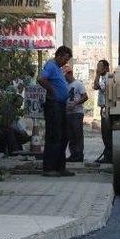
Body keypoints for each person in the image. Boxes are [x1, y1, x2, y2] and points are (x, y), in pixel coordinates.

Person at [37, 46, 74, 177]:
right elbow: (41, 79)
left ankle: (60, 167)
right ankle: (49, 168)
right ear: (59, 55)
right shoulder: (51, 65)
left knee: (64, 136)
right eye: (65, 58)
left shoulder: (58, 69)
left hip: (61, 105)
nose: (66, 62)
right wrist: (51, 90)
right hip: (53, 105)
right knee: (54, 135)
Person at [64, 65, 88, 162]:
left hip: (77, 113)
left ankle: (79, 155)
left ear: (69, 74)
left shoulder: (78, 84)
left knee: (77, 134)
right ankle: (73, 154)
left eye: (65, 75)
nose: (64, 77)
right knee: (70, 134)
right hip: (68, 113)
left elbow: (85, 96)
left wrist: (76, 103)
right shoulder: (65, 85)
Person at [93, 59, 112, 164]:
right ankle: (107, 155)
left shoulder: (107, 78)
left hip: (107, 108)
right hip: (103, 108)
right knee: (104, 134)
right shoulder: (102, 77)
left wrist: (97, 75)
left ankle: (109, 156)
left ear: (106, 68)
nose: (98, 69)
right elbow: (95, 86)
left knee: (107, 133)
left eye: (100, 66)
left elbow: (97, 86)